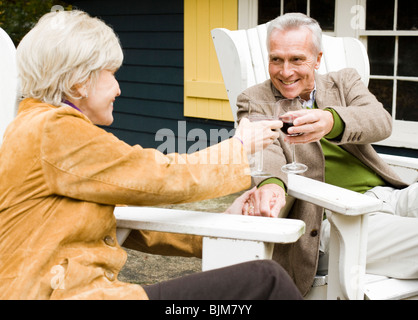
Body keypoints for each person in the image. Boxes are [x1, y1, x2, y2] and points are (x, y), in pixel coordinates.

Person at [0, 10, 305, 300]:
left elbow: (126, 216)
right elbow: (161, 176)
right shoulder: (54, 129)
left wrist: (219, 224)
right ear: (79, 80)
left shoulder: (42, 131)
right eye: (112, 73)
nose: (118, 89)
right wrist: (239, 147)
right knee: (268, 281)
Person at [236, 12, 418, 296]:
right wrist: (271, 187)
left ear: (317, 59)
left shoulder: (343, 82)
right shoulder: (255, 100)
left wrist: (332, 121)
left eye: (297, 59)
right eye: (276, 59)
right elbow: (265, 154)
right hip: (333, 220)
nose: (285, 72)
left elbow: (380, 121)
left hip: (389, 195)